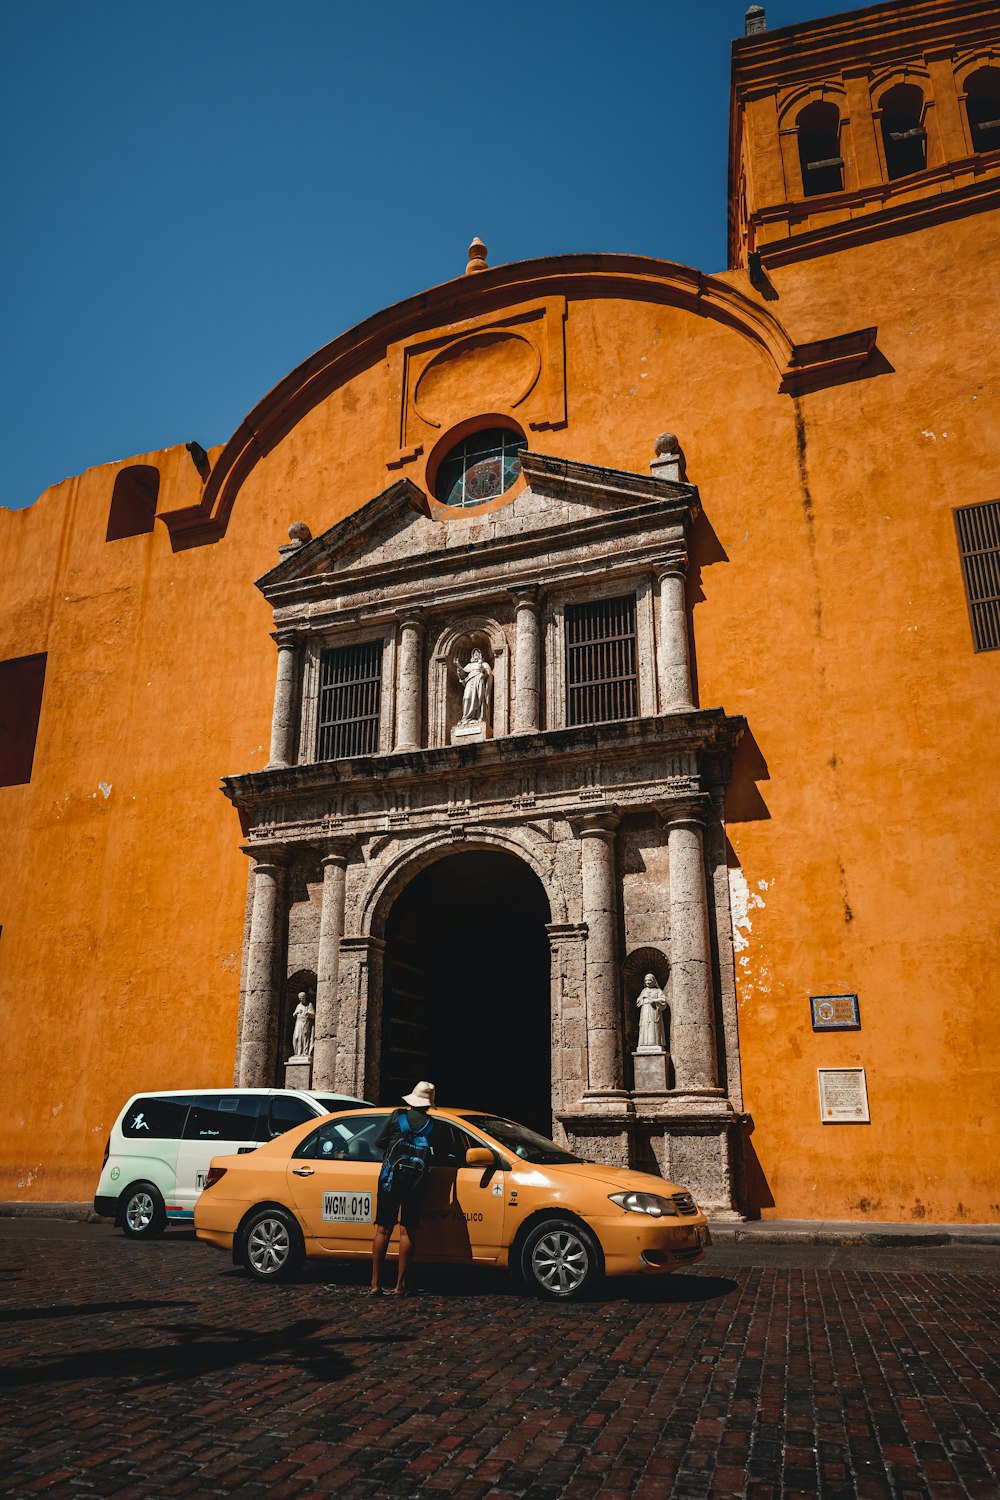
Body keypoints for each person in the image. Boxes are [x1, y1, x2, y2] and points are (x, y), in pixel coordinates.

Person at [369, 1081, 437, 1296]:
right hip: (416, 1184)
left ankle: (375, 1284)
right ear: (428, 1103)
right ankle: (400, 1285)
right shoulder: (433, 1125)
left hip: (390, 1179)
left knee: (383, 1229)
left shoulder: (397, 1116)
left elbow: (379, 1141)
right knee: (408, 1231)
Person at [457, 649, 492, 724]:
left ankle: (477, 717)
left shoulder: (484, 664)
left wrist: (482, 670)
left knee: (478, 698)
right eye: (474, 653)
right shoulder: (469, 665)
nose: (476, 654)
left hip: (479, 681)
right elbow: (463, 675)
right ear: (472, 656)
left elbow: (488, 674)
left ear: (480, 655)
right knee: (467, 698)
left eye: (477, 653)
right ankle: (466, 717)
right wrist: (459, 667)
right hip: (469, 682)